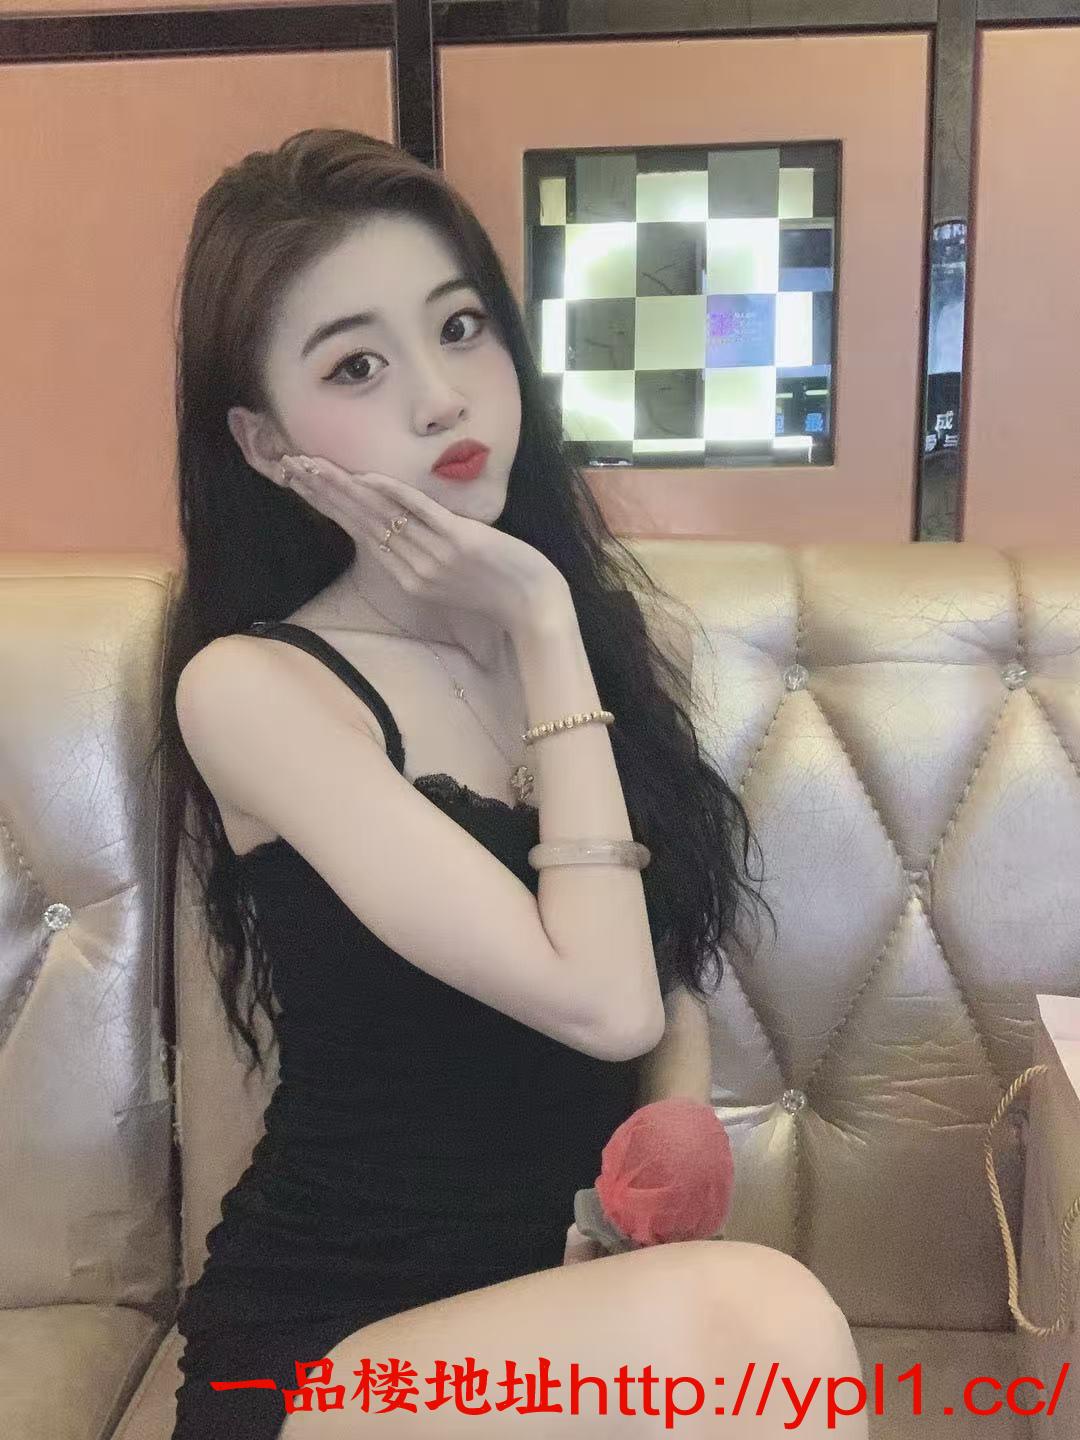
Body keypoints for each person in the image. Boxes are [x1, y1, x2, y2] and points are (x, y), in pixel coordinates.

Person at [148, 128, 867, 1438]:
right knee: (765, 1331)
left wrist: (651, 1179)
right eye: (357, 365)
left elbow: (657, 980)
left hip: (559, 1313)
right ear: (262, 441)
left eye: (460, 327)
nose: (442, 398)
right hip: (326, 1358)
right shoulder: (256, 692)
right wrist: (541, 621)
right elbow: (597, 999)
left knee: (736, 1332)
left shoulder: (598, 648)